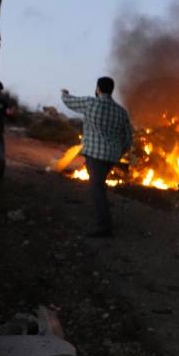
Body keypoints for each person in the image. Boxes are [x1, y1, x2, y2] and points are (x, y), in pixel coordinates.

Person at [61, 76, 133, 237]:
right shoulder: (121, 112)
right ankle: (103, 217)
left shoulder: (90, 103)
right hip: (112, 157)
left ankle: (104, 227)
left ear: (98, 89)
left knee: (97, 189)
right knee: (99, 185)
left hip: (94, 155)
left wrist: (65, 93)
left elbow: (69, 102)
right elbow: (128, 138)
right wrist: (120, 152)